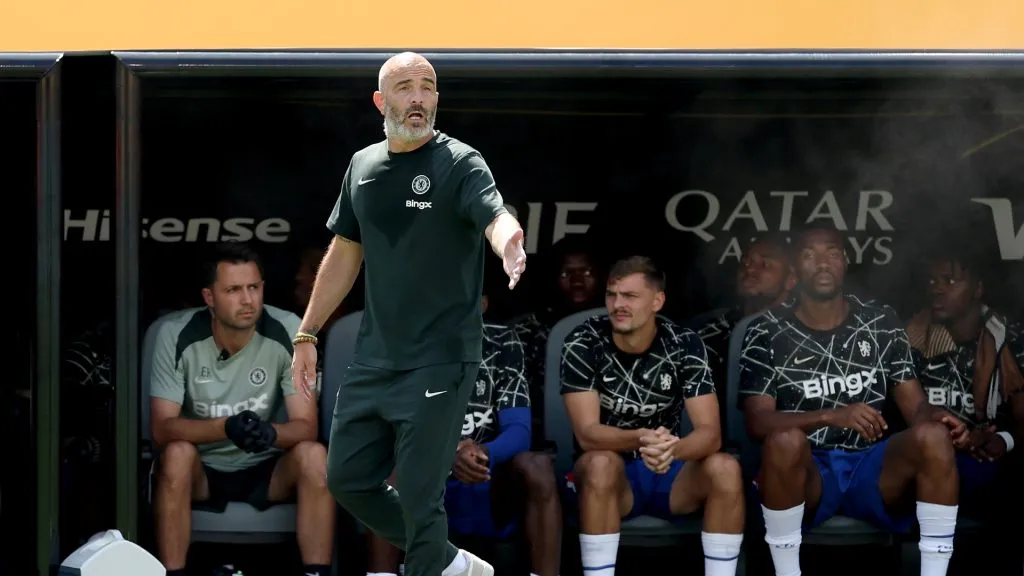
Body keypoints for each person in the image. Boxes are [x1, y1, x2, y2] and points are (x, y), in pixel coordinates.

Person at [290, 52, 528, 576]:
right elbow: (345, 252)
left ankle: (430, 561)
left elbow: (495, 214)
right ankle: (449, 562)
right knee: (347, 478)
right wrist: (306, 334)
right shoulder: (362, 165)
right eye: (405, 87)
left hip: (441, 359)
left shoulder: (461, 162)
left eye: (427, 86)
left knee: (421, 500)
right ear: (382, 101)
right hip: (375, 359)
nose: (418, 97)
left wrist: (509, 240)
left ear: (437, 98)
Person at [738, 227, 970, 576]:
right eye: (808, 254)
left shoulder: (880, 321)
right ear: (794, 271)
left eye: (831, 252)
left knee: (933, 435)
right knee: (784, 442)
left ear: (845, 262)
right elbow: (758, 423)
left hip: (870, 467)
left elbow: (915, 407)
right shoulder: (766, 330)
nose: (821, 263)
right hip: (808, 471)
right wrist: (831, 416)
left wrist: (938, 416)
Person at [149, 243, 334, 576]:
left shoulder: (289, 329)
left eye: (254, 287)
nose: (248, 300)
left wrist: (268, 433)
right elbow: (162, 429)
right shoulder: (174, 334)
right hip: (202, 469)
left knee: (314, 455)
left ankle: (316, 573)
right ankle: (172, 572)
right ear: (209, 297)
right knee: (176, 453)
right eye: (233, 289)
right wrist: (226, 428)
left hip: (265, 466)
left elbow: (306, 425)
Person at [561, 256, 745, 576]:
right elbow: (588, 434)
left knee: (726, 467)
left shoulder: (684, 342)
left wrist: (671, 450)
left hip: (669, 472)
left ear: (657, 300)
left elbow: (710, 433)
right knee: (601, 462)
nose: (618, 304)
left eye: (630, 296)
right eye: (611, 295)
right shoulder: (583, 341)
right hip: (611, 480)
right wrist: (644, 438)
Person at [367, 291, 562, 576]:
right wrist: (451, 452)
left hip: (489, 473)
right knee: (391, 468)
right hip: (425, 473)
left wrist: (483, 454)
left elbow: (519, 430)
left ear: (481, 305)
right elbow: (392, 426)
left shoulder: (502, 341)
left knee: (538, 466)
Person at [908, 244, 1024, 495]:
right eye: (931, 281)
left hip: (992, 462)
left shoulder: (1008, 340)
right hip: (930, 459)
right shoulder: (909, 339)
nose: (936, 289)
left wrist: (1001, 440)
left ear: (978, 289)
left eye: (949, 281)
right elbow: (906, 417)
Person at [695, 235, 796, 409]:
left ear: (791, 280)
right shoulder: (710, 332)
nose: (749, 270)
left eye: (764, 264)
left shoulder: (802, 330)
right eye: (746, 262)